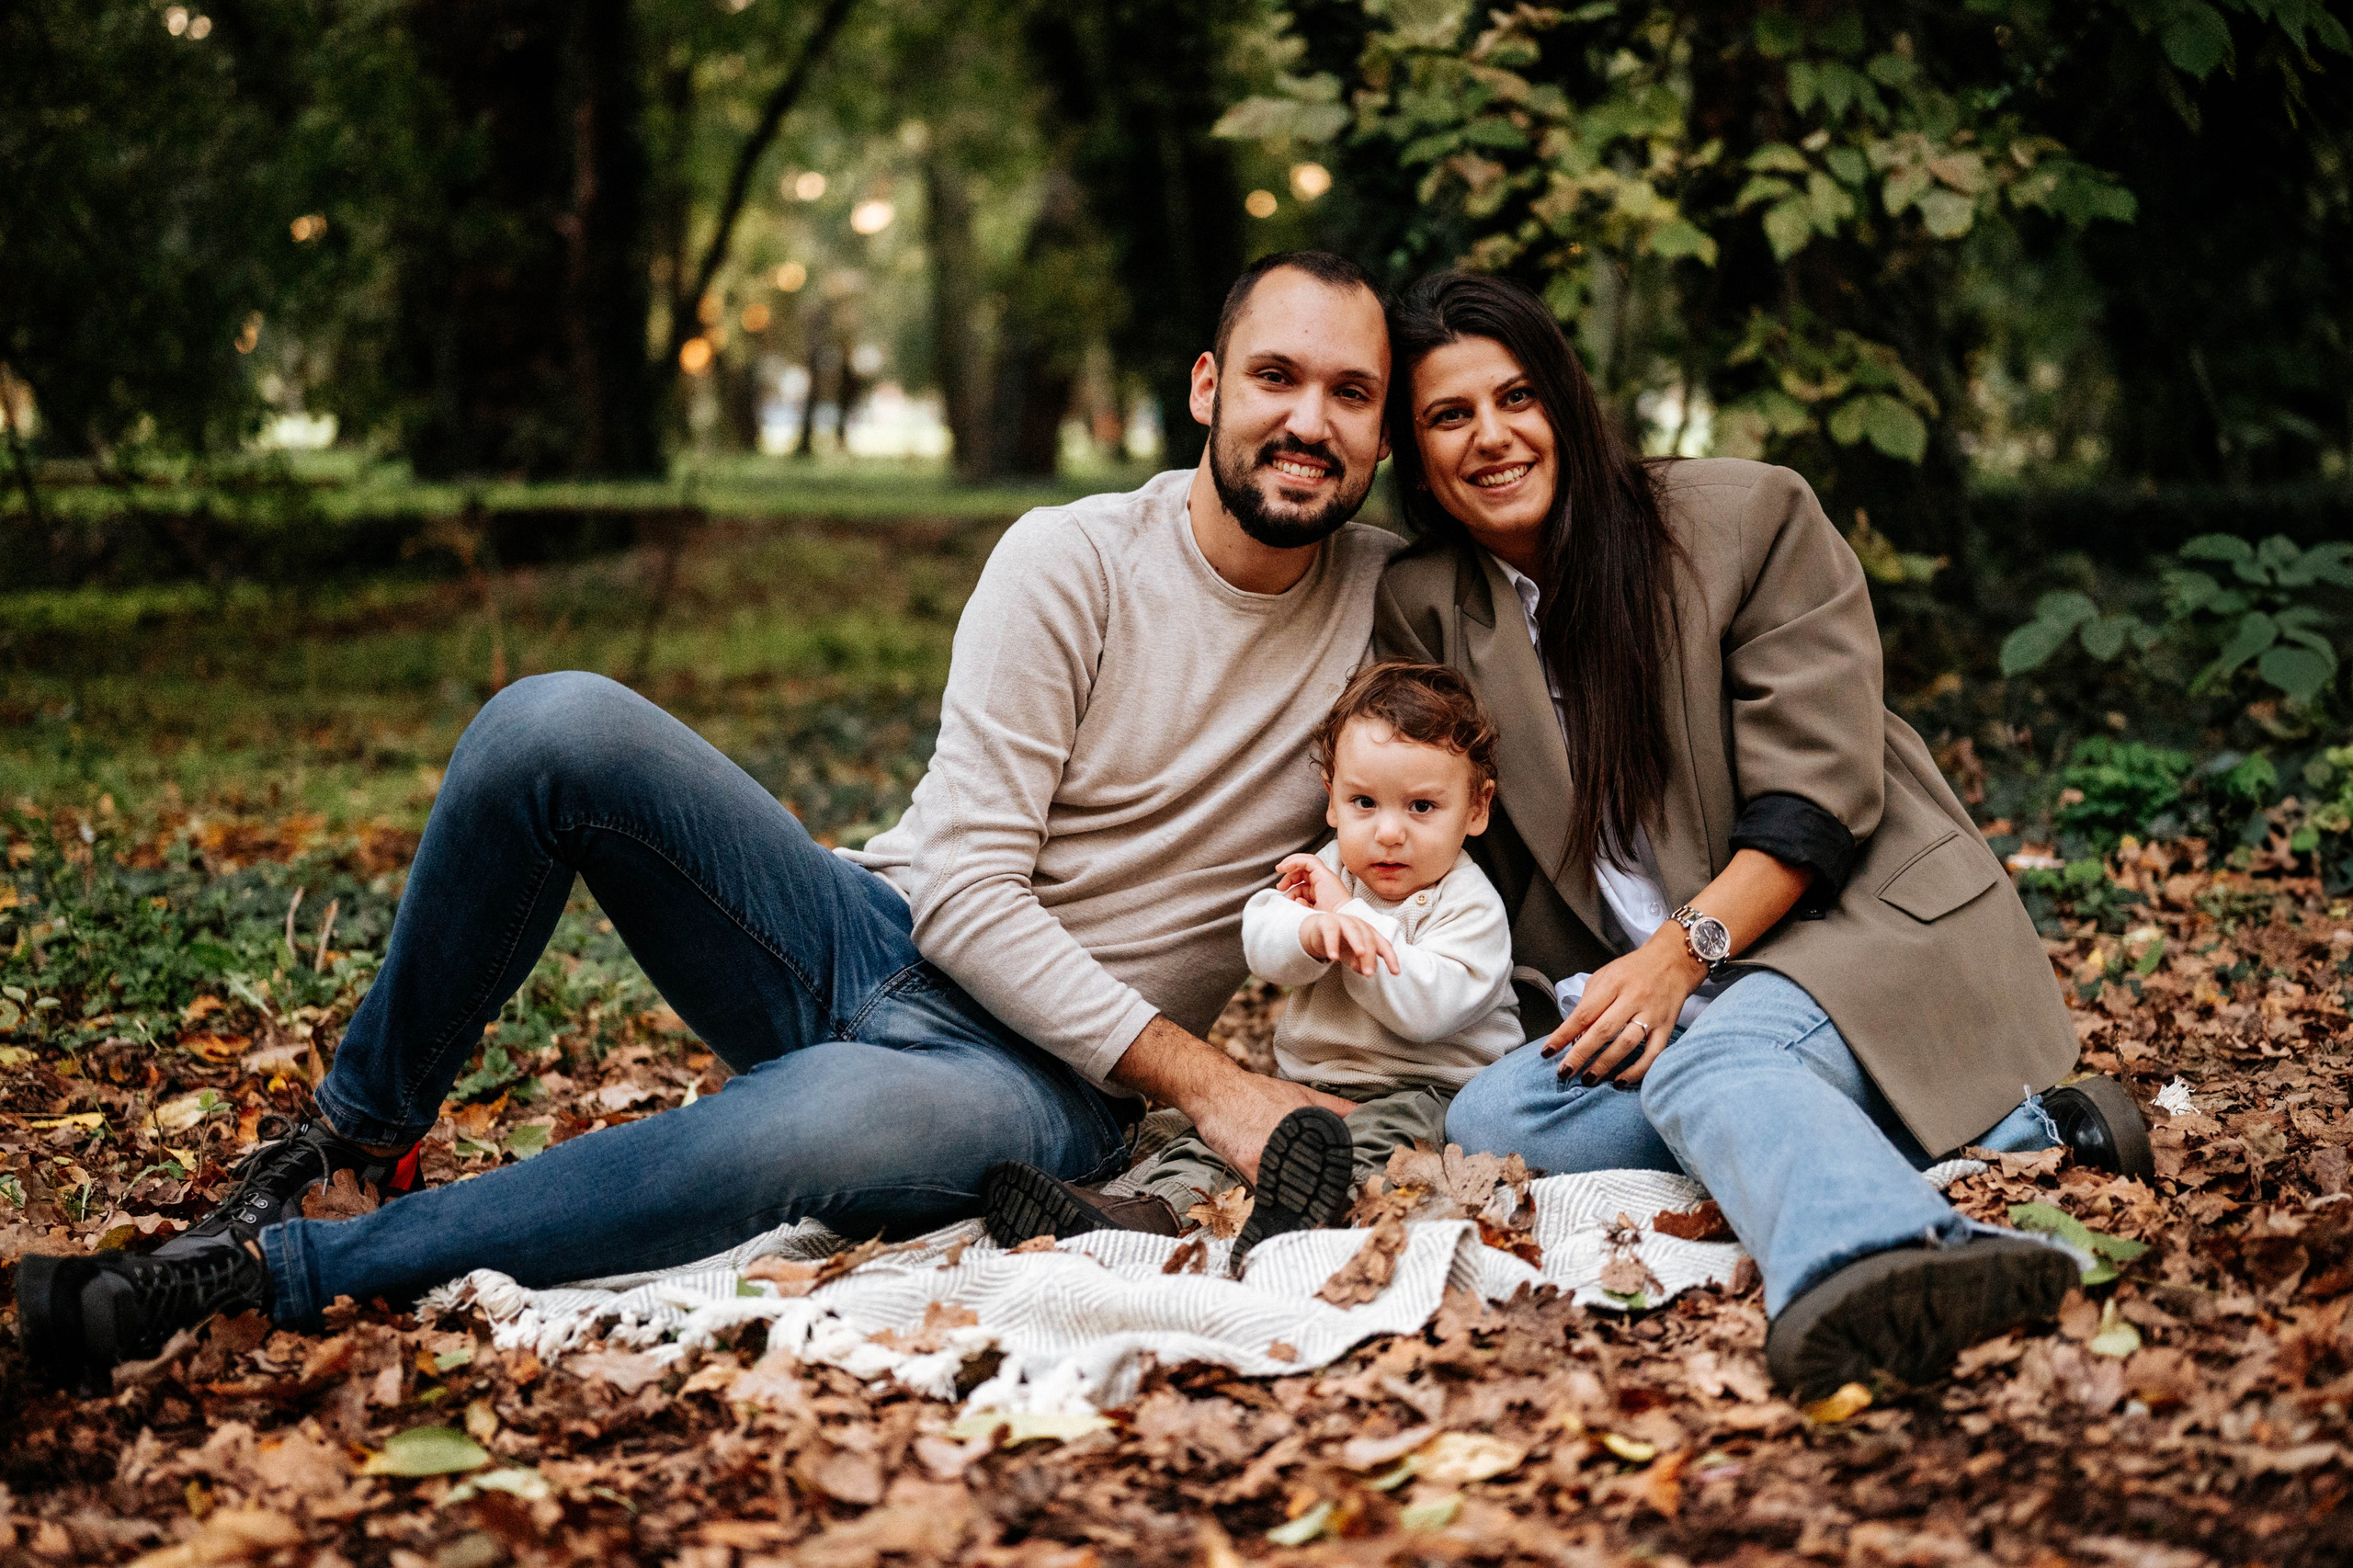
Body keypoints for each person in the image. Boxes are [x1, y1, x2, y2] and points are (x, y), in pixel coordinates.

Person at [17, 251, 1404, 1393]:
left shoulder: (1396, 610)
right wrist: (1218, 1087)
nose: (1310, 421)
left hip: (1040, 1086)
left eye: (1353, 393)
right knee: (552, 724)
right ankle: (352, 1135)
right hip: (869, 936)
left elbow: (1577, 591)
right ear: (1208, 387)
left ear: (1383, 432)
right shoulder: (1072, 557)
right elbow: (969, 892)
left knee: (794, 1136)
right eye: (1278, 376)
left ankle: (276, 1275)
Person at [1372, 271, 2153, 1403]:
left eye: (1519, 397)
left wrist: (1679, 956)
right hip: (1656, 989)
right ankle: (2021, 1131)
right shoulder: (1428, 602)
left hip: (1843, 925)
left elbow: (1816, 794)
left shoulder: (1743, 517)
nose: (1492, 436)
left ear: (1568, 405)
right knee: (1495, 1114)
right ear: (1417, 449)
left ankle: (1889, 1255)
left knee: (1719, 1058)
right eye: (1450, 415)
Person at [982, 661, 1522, 1252]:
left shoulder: (1469, 906)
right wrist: (1309, 936)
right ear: (1332, 801)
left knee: (1384, 1150)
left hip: (1429, 1093)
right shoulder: (1328, 873)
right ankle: (1143, 1211)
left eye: (1421, 807)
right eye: (1364, 802)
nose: (1389, 832)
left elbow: (1429, 1010)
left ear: (1476, 807)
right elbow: (1264, 940)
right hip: (1307, 1083)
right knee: (1217, 1138)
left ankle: (1304, 1213)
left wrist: (1349, 920)